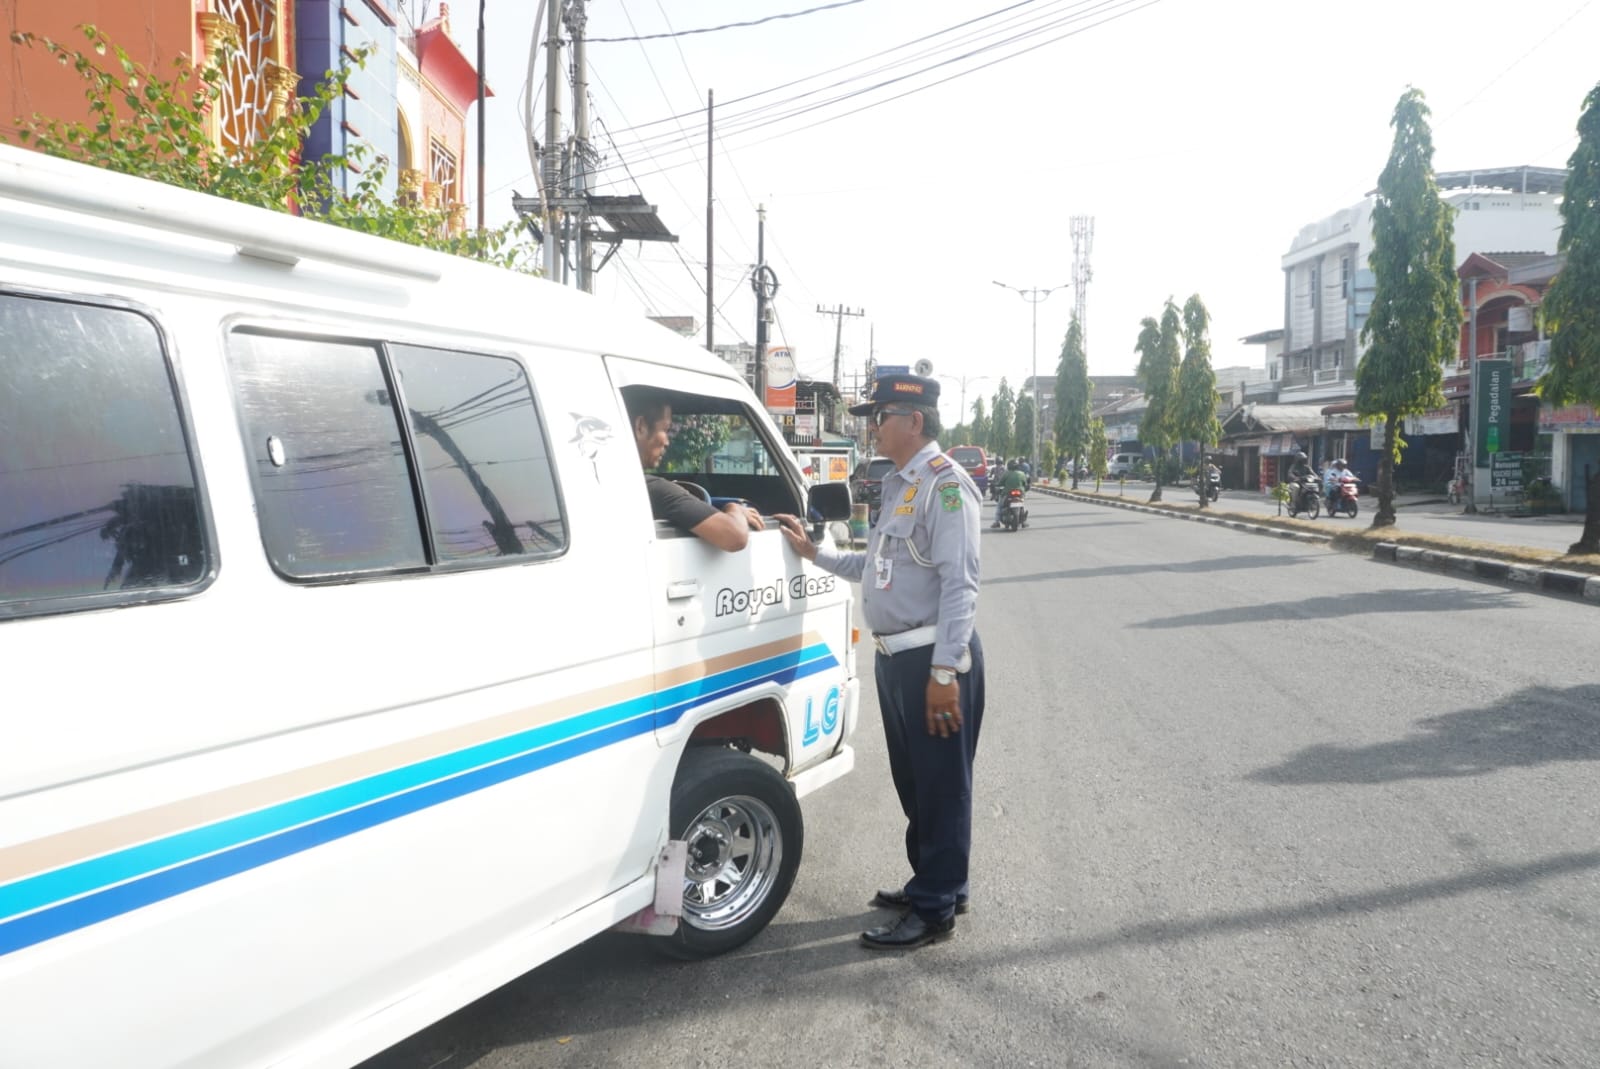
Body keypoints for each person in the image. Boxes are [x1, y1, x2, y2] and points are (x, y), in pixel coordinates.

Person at [773, 373, 984, 951]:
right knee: (916, 783)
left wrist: (946, 670)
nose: (872, 425)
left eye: (880, 415)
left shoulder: (945, 486)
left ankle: (935, 908)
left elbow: (961, 585)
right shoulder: (899, 484)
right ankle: (939, 882)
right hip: (898, 660)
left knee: (942, 785)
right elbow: (882, 563)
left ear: (913, 421)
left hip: (934, 662)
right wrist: (818, 554)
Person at [625, 387, 765, 551]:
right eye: (665, 429)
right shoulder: (655, 491)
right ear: (641, 426)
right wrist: (734, 508)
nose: (667, 442)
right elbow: (735, 536)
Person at [992, 459, 1029, 528]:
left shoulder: (1006, 473)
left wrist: (996, 485)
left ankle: (996, 522)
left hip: (1007, 493)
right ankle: (1024, 521)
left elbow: (1000, 483)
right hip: (1020, 493)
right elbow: (1025, 484)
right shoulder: (1022, 474)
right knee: (1022, 504)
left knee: (999, 505)